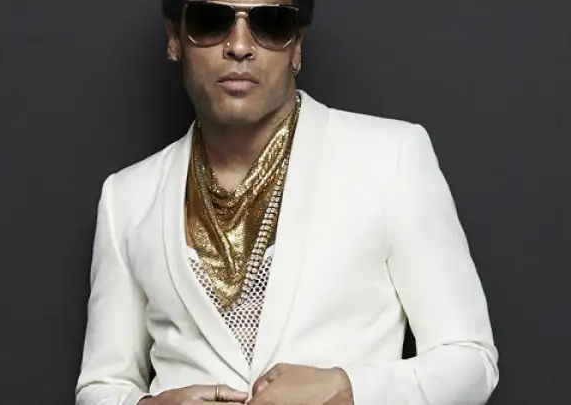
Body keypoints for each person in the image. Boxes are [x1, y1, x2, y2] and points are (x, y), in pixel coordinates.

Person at [75, 1, 499, 404]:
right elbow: (102, 384)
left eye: (271, 24)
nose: (239, 46)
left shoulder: (391, 158)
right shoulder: (126, 197)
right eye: (210, 21)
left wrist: (350, 391)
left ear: (297, 46)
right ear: (174, 38)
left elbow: (471, 362)